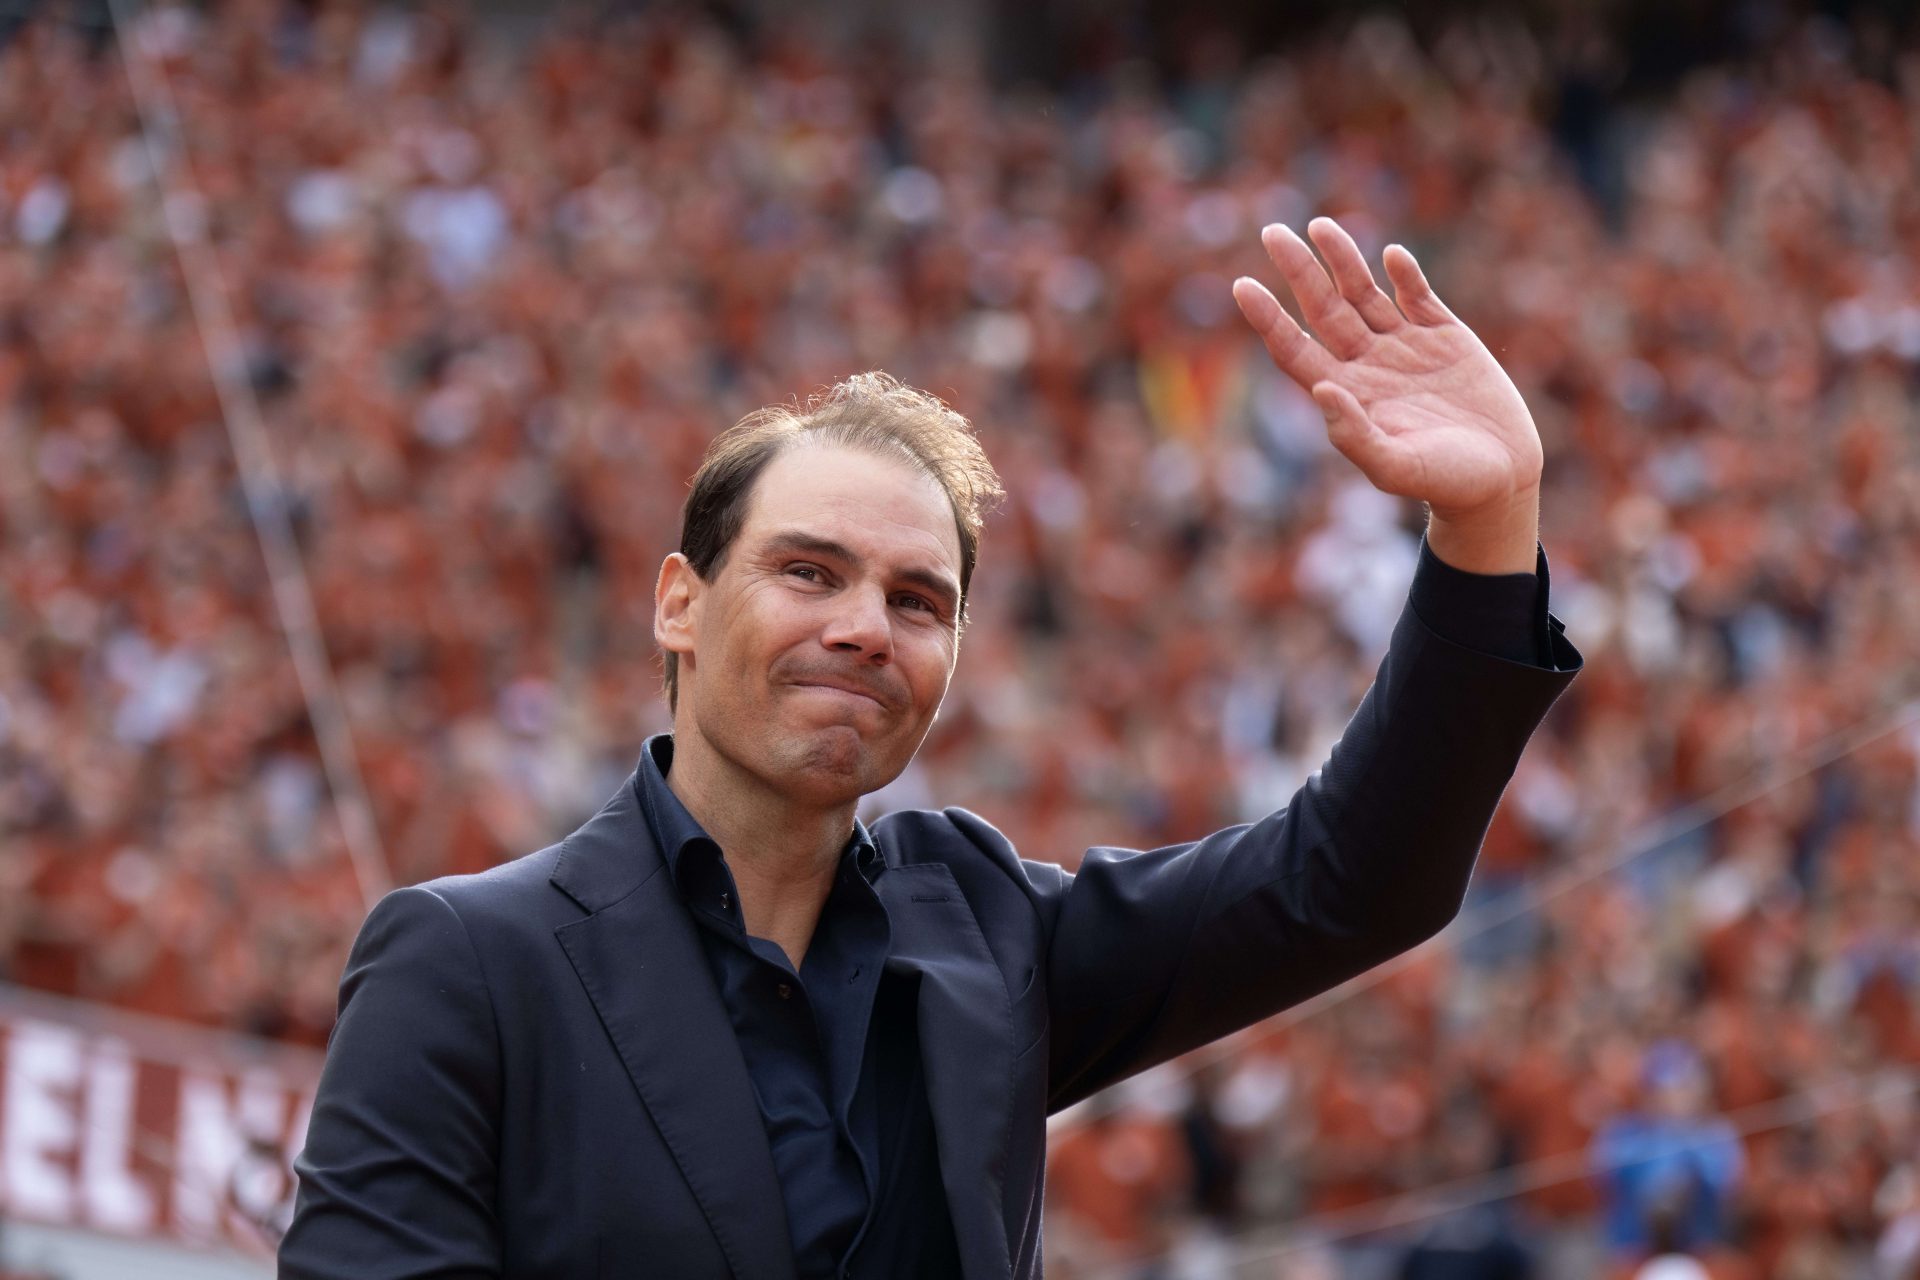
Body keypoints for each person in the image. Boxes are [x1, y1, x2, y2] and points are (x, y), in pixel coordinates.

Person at [278, 217, 1581, 1279]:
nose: (862, 630)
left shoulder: (984, 930)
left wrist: (1489, 522)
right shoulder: (466, 964)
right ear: (679, 600)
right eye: (808, 572)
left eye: (916, 601)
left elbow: (1350, 881)